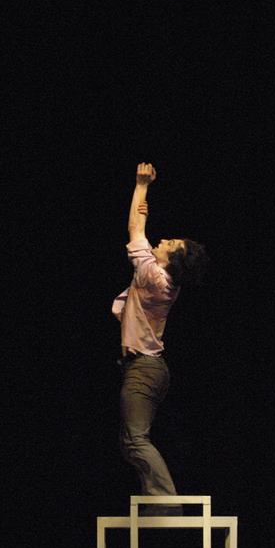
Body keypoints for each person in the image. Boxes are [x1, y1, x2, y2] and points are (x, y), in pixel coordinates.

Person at [112, 163, 207, 515]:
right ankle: (158, 503)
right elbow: (141, 229)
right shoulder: (163, 279)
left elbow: (135, 229)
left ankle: (166, 504)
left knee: (135, 440)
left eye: (169, 244)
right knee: (130, 440)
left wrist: (141, 185)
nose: (163, 241)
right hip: (147, 368)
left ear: (172, 261)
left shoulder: (154, 277)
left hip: (145, 368)